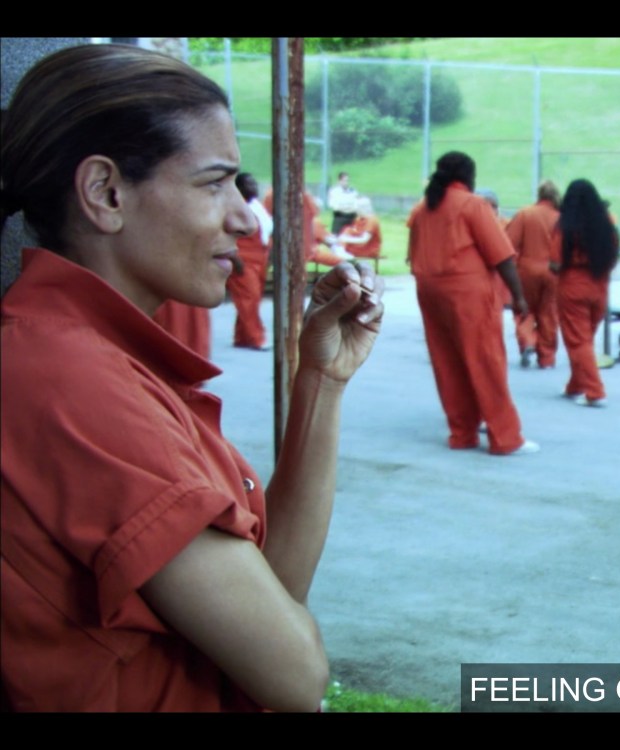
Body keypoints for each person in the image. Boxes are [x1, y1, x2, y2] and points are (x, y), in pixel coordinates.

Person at [0, 43, 384, 712]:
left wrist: (321, 380)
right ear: (106, 193)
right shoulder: (69, 379)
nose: (243, 217)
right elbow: (295, 675)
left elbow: (272, 596)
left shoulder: (94, 357)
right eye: (214, 183)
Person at [406, 151, 537, 455]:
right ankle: (505, 438)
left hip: (429, 290)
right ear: (468, 176)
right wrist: (518, 296)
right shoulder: (473, 204)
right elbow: (502, 255)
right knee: (485, 360)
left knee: (447, 361)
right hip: (466, 292)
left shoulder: (423, 208)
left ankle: (462, 433)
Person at [553, 179, 619, 407]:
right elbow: (613, 257)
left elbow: (555, 263)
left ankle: (595, 391)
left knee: (578, 341)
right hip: (599, 286)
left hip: (572, 285)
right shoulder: (607, 225)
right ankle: (576, 385)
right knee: (585, 340)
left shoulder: (565, 227)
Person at [506, 180, 562, 369]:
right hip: (554, 272)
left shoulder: (525, 214)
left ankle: (528, 341)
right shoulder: (561, 218)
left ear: (538, 194)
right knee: (549, 314)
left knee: (524, 309)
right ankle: (546, 358)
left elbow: (508, 245)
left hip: (527, 270)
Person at [227, 172, 272, 350]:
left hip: (260, 258)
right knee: (249, 297)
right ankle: (256, 338)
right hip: (243, 258)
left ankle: (242, 336)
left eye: (254, 183)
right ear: (239, 188)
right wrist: (233, 257)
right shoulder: (232, 208)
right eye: (248, 184)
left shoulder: (257, 206)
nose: (253, 187)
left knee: (252, 298)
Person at [337, 196, 382, 263]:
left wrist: (345, 239)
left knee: (339, 249)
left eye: (357, 208)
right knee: (347, 230)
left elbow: (364, 240)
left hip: (368, 248)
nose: (355, 211)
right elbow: (353, 232)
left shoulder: (371, 220)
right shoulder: (359, 218)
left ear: (363, 208)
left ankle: (340, 256)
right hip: (359, 246)